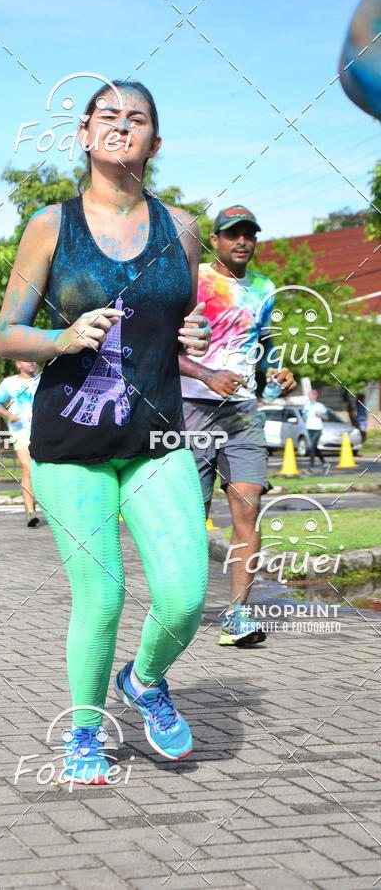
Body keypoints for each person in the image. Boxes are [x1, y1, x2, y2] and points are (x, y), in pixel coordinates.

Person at [0, 79, 211, 783]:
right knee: (104, 595)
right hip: (72, 441)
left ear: (155, 141)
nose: (122, 125)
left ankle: (143, 681)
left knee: (184, 596)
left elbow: (170, 328)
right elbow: (6, 333)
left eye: (137, 118)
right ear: (84, 135)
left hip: (156, 436)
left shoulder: (183, 228)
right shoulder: (50, 225)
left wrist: (193, 338)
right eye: (107, 116)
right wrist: (61, 339)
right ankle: (84, 731)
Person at [178, 205, 296, 647]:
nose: (242, 241)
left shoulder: (264, 289)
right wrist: (207, 375)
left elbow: (264, 344)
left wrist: (278, 371)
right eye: (232, 234)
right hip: (191, 407)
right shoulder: (192, 281)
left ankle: (236, 616)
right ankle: (180, 606)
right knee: (192, 515)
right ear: (216, 240)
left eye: (249, 234)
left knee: (248, 508)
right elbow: (161, 344)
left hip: (243, 411)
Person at [0, 362, 40, 526]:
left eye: (33, 359)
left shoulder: (43, 379)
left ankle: (36, 502)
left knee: (41, 470)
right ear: (18, 363)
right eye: (27, 360)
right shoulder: (9, 383)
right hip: (20, 431)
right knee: (28, 468)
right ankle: (30, 512)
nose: (32, 363)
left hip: (42, 430)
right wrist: (9, 415)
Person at [301, 388, 330, 472]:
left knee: (311, 447)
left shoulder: (320, 406)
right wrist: (305, 415)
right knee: (314, 448)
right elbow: (303, 418)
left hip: (318, 429)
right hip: (309, 428)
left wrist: (320, 415)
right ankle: (325, 463)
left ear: (316, 396)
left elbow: (327, 417)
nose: (310, 396)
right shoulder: (306, 406)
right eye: (309, 395)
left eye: (312, 394)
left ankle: (311, 467)